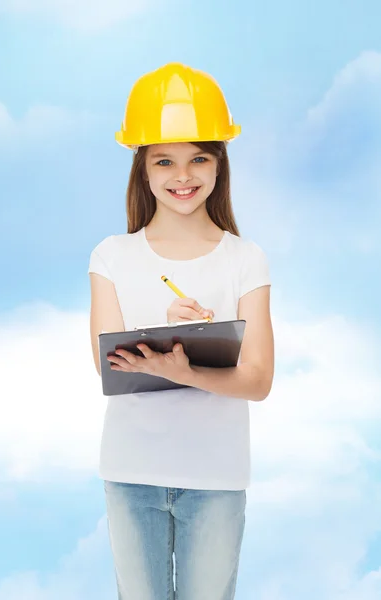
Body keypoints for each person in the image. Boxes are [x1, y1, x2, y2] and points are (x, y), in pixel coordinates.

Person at [87, 62, 274, 600]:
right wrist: (171, 342)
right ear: (142, 169)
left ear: (219, 165)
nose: (182, 175)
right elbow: (108, 365)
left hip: (216, 476)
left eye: (199, 158)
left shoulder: (246, 258)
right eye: (164, 160)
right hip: (131, 470)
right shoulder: (112, 256)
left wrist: (186, 367)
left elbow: (258, 380)